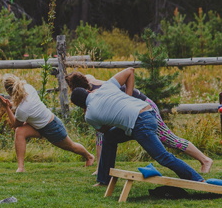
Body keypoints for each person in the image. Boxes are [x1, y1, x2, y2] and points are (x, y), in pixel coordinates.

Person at [69, 67, 209, 186]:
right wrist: (125, 103)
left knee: (163, 157)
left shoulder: (89, 116)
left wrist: (117, 114)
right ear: (88, 91)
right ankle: (104, 180)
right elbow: (130, 71)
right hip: (147, 111)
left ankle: (198, 180)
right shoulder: (106, 86)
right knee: (109, 138)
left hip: (141, 123)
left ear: (80, 106)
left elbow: (103, 129)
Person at [0, 74, 94, 173]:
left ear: (8, 91)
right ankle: (21, 168)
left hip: (52, 127)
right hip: (38, 126)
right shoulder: (28, 88)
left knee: (71, 146)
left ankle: (89, 157)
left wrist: (6, 107)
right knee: (20, 132)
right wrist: (11, 104)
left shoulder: (22, 110)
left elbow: (16, 123)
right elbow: (26, 105)